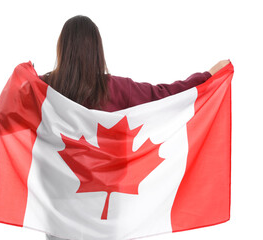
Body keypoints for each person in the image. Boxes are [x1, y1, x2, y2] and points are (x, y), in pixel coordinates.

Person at [38, 15, 230, 240]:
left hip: (60, 211)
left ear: (62, 48)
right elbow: (166, 95)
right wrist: (209, 76)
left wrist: (21, 81)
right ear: (97, 50)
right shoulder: (118, 89)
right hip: (107, 213)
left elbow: (3, 124)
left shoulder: (41, 88)